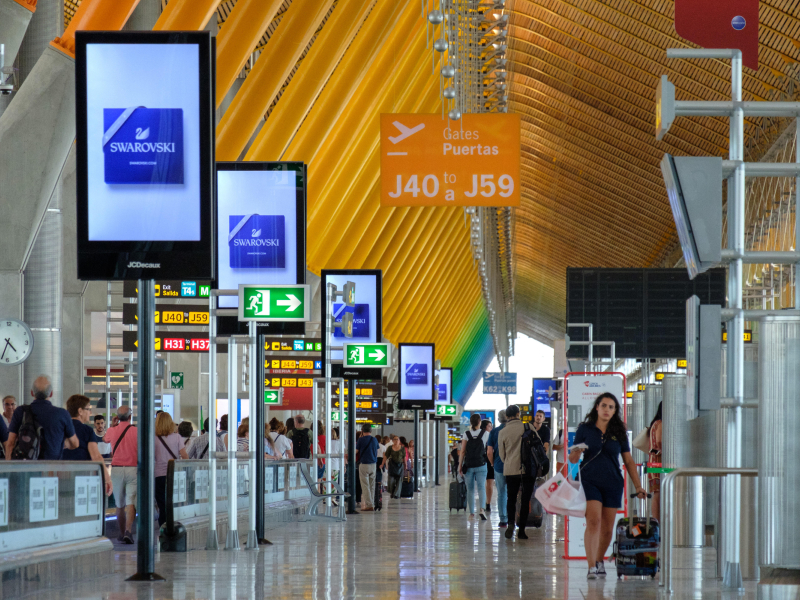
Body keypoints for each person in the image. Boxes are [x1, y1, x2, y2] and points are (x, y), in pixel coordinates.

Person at [569, 392, 647, 579]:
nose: (607, 410)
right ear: (597, 407)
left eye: (611, 407)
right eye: (604, 405)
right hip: (590, 480)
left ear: (615, 411)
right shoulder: (584, 429)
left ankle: (599, 560)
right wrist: (577, 451)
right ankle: (591, 567)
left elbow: (628, 460)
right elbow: (573, 459)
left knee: (607, 528)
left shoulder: (619, 431)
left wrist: (638, 486)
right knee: (594, 521)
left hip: (613, 482)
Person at [6, 375, 77, 460]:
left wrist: (9, 468)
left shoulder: (20, 411)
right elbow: (75, 443)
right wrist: (60, 443)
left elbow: (10, 443)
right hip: (52, 468)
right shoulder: (62, 414)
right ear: (51, 393)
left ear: (32, 393)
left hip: (25, 467)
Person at [62, 395, 112, 493]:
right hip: (82, 478)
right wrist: (107, 479)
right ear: (80, 411)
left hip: (61, 476)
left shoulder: (61, 429)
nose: (90, 412)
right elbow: (96, 457)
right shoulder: (87, 430)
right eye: (88, 409)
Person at [499, 404, 534, 540]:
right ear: (519, 414)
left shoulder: (503, 432)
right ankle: (522, 530)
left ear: (507, 416)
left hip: (510, 470)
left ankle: (511, 524)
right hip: (527, 469)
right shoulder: (528, 427)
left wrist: (510, 462)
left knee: (511, 498)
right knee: (525, 499)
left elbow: (502, 456)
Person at [104, 405, 138, 544]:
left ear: (117, 417)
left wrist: (113, 425)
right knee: (131, 501)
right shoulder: (136, 431)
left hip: (116, 469)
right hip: (133, 469)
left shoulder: (112, 430)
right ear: (130, 417)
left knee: (119, 504)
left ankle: (121, 532)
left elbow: (105, 439)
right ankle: (129, 531)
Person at [154, 412, 188, 527]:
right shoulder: (177, 437)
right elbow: (184, 455)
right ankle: (174, 526)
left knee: (161, 503)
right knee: (174, 501)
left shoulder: (154, 439)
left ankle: (163, 527)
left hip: (158, 474)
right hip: (174, 474)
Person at [460, 413, 489, 521]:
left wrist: (460, 466)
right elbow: (489, 449)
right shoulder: (485, 433)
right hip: (481, 464)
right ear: (479, 422)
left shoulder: (466, 433)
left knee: (470, 490)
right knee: (481, 487)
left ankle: (471, 514)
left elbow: (462, 451)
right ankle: (482, 509)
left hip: (469, 465)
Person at [487, 409, 508, 528]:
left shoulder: (494, 432)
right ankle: (512, 518)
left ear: (499, 419)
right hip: (513, 466)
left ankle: (503, 519)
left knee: (501, 493)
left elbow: (489, 451)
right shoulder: (513, 430)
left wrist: (493, 463)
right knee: (512, 492)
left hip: (499, 466)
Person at [355, 423, 379, 511]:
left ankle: (369, 505)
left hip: (364, 464)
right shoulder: (375, 439)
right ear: (371, 431)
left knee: (365, 486)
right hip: (373, 464)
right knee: (372, 485)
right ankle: (371, 502)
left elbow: (356, 451)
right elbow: (376, 450)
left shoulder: (361, 440)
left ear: (362, 431)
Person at [648, 401, 663, 522]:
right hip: (659, 462)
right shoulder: (661, 423)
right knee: (658, 494)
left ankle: (656, 521)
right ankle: (657, 522)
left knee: (656, 493)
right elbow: (659, 442)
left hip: (653, 462)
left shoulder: (654, 423)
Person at [381, 435, 406, 499]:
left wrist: (405, 466)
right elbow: (386, 456)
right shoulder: (390, 448)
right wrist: (382, 464)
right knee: (391, 480)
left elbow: (404, 457)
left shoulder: (402, 448)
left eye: (397, 439)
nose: (396, 441)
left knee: (399, 480)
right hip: (392, 465)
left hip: (400, 466)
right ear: (392, 441)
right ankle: (392, 492)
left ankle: (396, 494)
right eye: (395, 439)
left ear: (399, 441)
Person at [481, 419, 494, 512]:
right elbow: (491, 451)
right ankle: (488, 503)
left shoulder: (477, 434)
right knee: (489, 483)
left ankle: (481, 505)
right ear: (485, 427)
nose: (491, 427)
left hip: (479, 461)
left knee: (481, 484)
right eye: (489, 426)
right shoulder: (489, 435)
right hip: (488, 461)